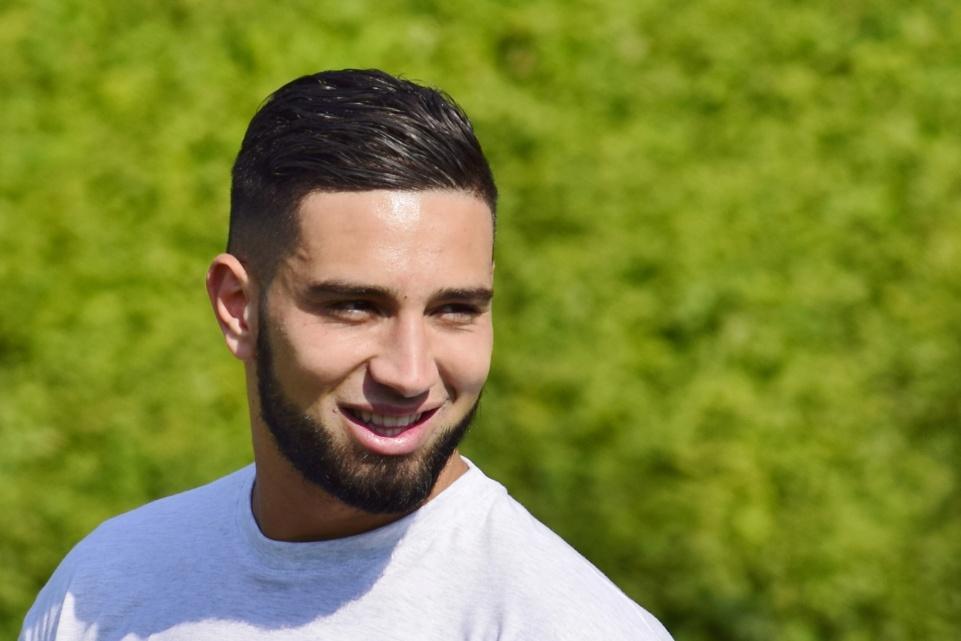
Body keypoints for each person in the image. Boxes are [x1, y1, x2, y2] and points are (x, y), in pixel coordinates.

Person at [20, 69, 673, 641]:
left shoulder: (561, 624)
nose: (410, 373)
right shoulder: (105, 587)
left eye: (454, 309)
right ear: (237, 307)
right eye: (356, 306)